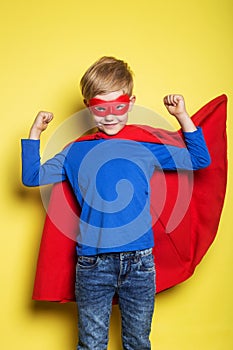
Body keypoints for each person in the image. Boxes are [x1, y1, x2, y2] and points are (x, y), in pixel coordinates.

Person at [21, 56, 211, 350]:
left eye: (118, 107)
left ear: (131, 102)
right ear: (88, 106)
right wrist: (35, 133)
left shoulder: (143, 147)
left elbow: (199, 160)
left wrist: (182, 116)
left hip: (140, 263)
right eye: (101, 108)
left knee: (137, 341)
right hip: (93, 265)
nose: (110, 117)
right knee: (91, 343)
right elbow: (33, 177)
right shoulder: (75, 152)